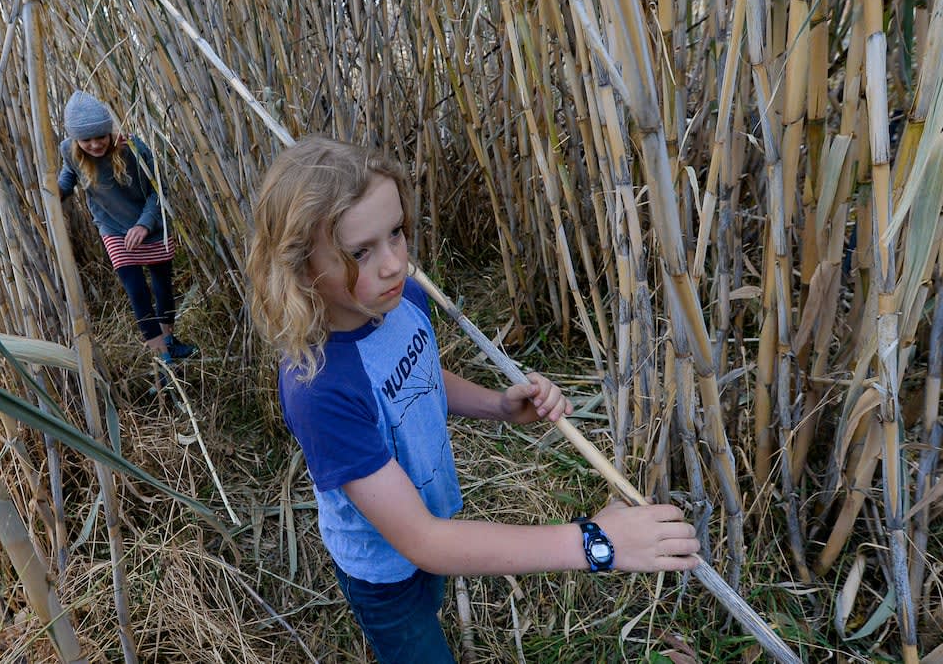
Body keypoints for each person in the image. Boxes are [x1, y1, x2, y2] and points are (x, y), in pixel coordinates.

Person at [244, 136, 699, 663]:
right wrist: (593, 542)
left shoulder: (402, 300)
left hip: (433, 522)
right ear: (301, 268)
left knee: (431, 599)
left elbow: (418, 374)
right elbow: (425, 543)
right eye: (360, 252)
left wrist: (500, 406)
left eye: (396, 233)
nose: (393, 263)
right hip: (385, 570)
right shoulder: (320, 389)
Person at [58, 91, 197, 369]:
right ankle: (162, 358)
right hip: (112, 226)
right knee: (136, 290)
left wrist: (144, 225)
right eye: (87, 140)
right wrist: (53, 194)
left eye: (101, 137)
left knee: (162, 286)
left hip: (152, 224)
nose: (95, 145)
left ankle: (170, 341)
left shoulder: (133, 148)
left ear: (110, 132)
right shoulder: (69, 150)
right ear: (75, 140)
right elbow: (69, 176)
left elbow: (160, 190)